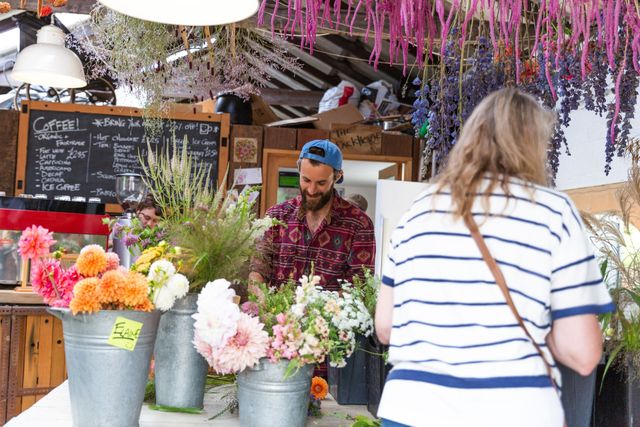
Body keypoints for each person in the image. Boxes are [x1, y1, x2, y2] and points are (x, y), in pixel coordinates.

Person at [374, 88, 613, 427]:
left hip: (411, 409)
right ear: (533, 146)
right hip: (511, 410)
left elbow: (385, 327)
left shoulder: (417, 213)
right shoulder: (551, 212)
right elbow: (584, 354)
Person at [249, 139, 375, 291]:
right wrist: (261, 299)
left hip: (329, 314)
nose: (311, 190)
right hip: (276, 314)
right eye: (306, 180)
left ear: (337, 176)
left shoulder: (359, 224)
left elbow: (359, 285)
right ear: (299, 170)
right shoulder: (277, 216)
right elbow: (258, 268)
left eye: (321, 183)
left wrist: (317, 311)